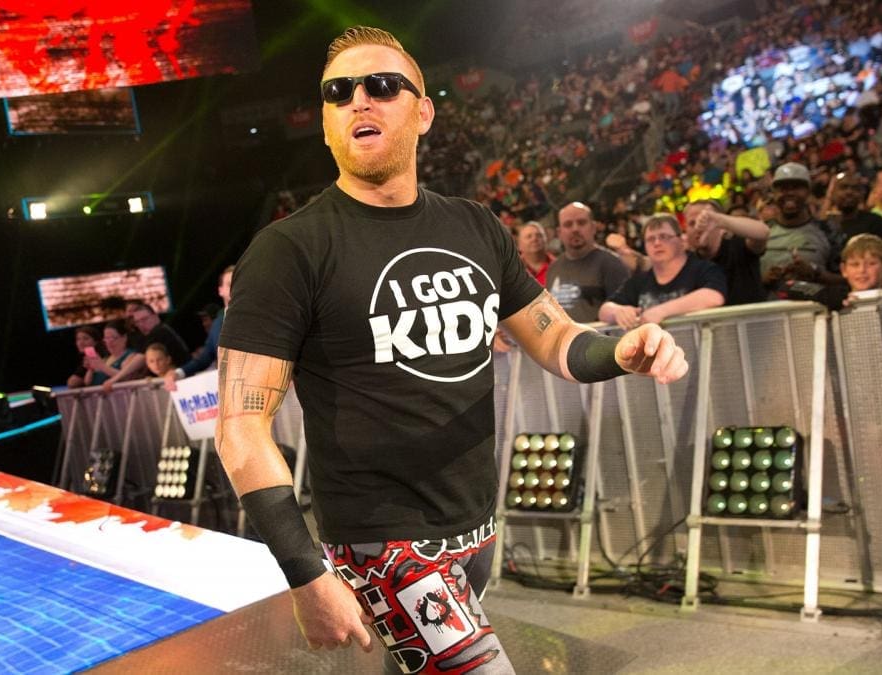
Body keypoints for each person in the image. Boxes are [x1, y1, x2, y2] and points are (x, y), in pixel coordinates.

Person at [216, 26, 688, 674]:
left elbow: (555, 338)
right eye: (338, 92)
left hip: (474, 523)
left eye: (382, 85)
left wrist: (621, 351)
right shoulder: (288, 250)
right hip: (382, 539)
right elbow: (241, 425)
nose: (359, 100)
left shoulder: (472, 225)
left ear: (423, 112)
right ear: (325, 123)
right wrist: (305, 572)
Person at [599, 213, 727, 329]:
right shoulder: (640, 280)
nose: (657, 243)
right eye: (650, 239)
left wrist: (661, 311)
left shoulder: (703, 269)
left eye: (664, 237)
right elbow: (604, 310)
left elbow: (714, 296)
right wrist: (618, 312)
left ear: (681, 241)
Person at [546, 202, 630, 322]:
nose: (575, 229)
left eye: (581, 223)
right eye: (568, 224)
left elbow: (624, 315)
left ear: (593, 227)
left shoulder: (612, 264)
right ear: (559, 233)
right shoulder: (553, 268)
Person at [759, 162, 836, 294]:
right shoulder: (760, 232)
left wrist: (815, 273)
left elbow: (846, 279)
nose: (790, 193)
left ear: (808, 192)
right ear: (774, 193)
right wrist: (764, 280)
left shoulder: (828, 231)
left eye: (796, 188)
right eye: (783, 188)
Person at [682, 199, 768, 305]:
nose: (698, 228)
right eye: (692, 223)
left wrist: (720, 220)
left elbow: (763, 232)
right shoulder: (687, 262)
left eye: (705, 221)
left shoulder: (738, 245)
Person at [830, 173, 882, 286]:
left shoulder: (877, 222)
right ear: (832, 192)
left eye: (855, 188)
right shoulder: (822, 224)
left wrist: (877, 289)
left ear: (862, 194)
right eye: (843, 187)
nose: (849, 192)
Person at [167, 266, 233, 389]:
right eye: (230, 284)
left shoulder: (263, 317)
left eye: (240, 283)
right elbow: (205, 357)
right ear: (221, 290)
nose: (236, 288)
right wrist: (178, 373)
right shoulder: (217, 324)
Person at [85, 319, 144, 390]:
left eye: (113, 338)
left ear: (124, 338)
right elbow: (87, 383)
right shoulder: (105, 359)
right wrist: (90, 369)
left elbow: (126, 378)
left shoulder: (132, 355)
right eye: (106, 338)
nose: (109, 342)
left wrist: (103, 367)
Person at [129, 302, 190, 368]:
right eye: (137, 322)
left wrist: (120, 375)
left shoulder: (160, 331)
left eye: (144, 319)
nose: (140, 325)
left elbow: (141, 358)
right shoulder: (148, 335)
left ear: (155, 316)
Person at [514, 221, 553, 286]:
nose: (534, 239)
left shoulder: (560, 266)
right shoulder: (511, 271)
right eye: (529, 236)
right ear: (519, 245)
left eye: (539, 235)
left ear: (547, 240)